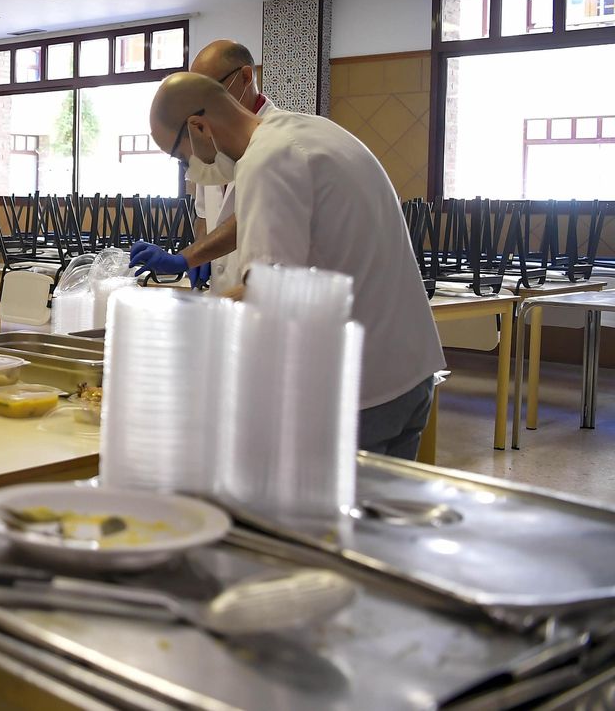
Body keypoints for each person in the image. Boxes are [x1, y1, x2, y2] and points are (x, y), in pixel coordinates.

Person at [146, 72, 444, 459]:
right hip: (409, 373)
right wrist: (191, 259)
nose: (190, 170)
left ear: (199, 127)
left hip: (358, 391)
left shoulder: (265, 160)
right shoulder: (310, 130)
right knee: (379, 513)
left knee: (324, 517)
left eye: (180, 155)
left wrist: (181, 328)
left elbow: (270, 298)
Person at [130, 40, 280, 294]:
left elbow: (249, 222)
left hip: (266, 296)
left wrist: (187, 258)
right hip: (230, 292)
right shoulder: (208, 139)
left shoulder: (276, 146)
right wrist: (199, 253)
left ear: (245, 77)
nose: (200, 102)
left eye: (210, 89)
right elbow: (204, 215)